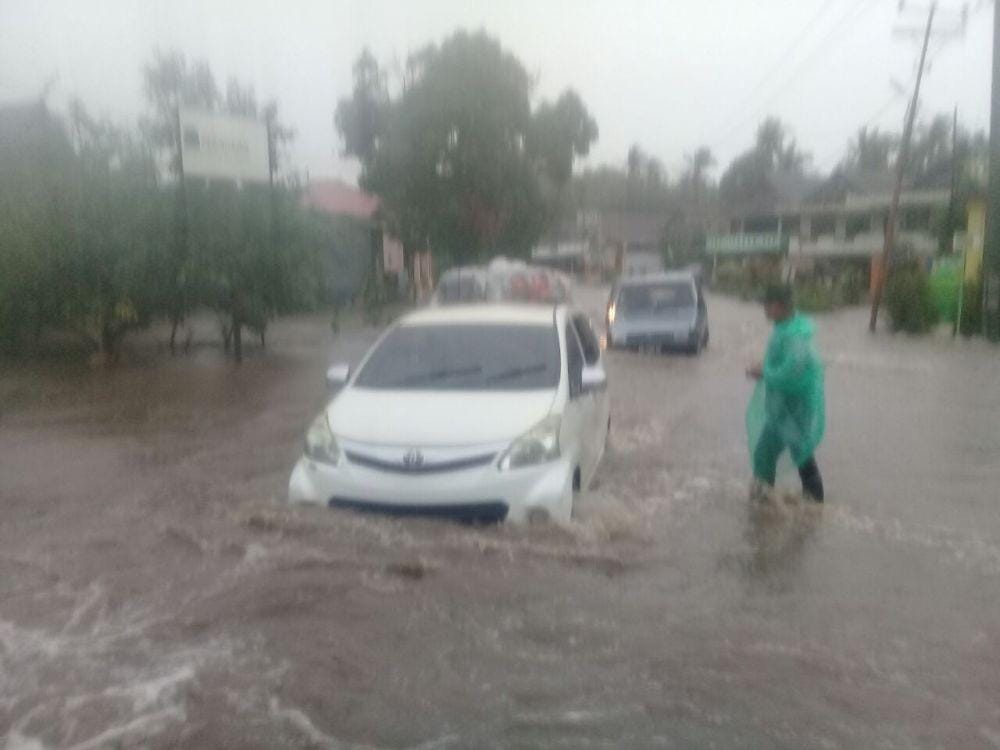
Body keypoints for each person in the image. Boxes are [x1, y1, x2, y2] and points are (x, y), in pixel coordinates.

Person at [746, 283, 826, 502]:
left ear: (779, 306)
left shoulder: (794, 336)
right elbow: (787, 365)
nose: (764, 308)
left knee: (797, 455)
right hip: (785, 407)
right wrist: (766, 369)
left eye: (767, 304)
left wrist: (763, 372)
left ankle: (811, 508)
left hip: (793, 408)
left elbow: (793, 371)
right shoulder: (788, 328)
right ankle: (765, 504)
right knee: (773, 453)